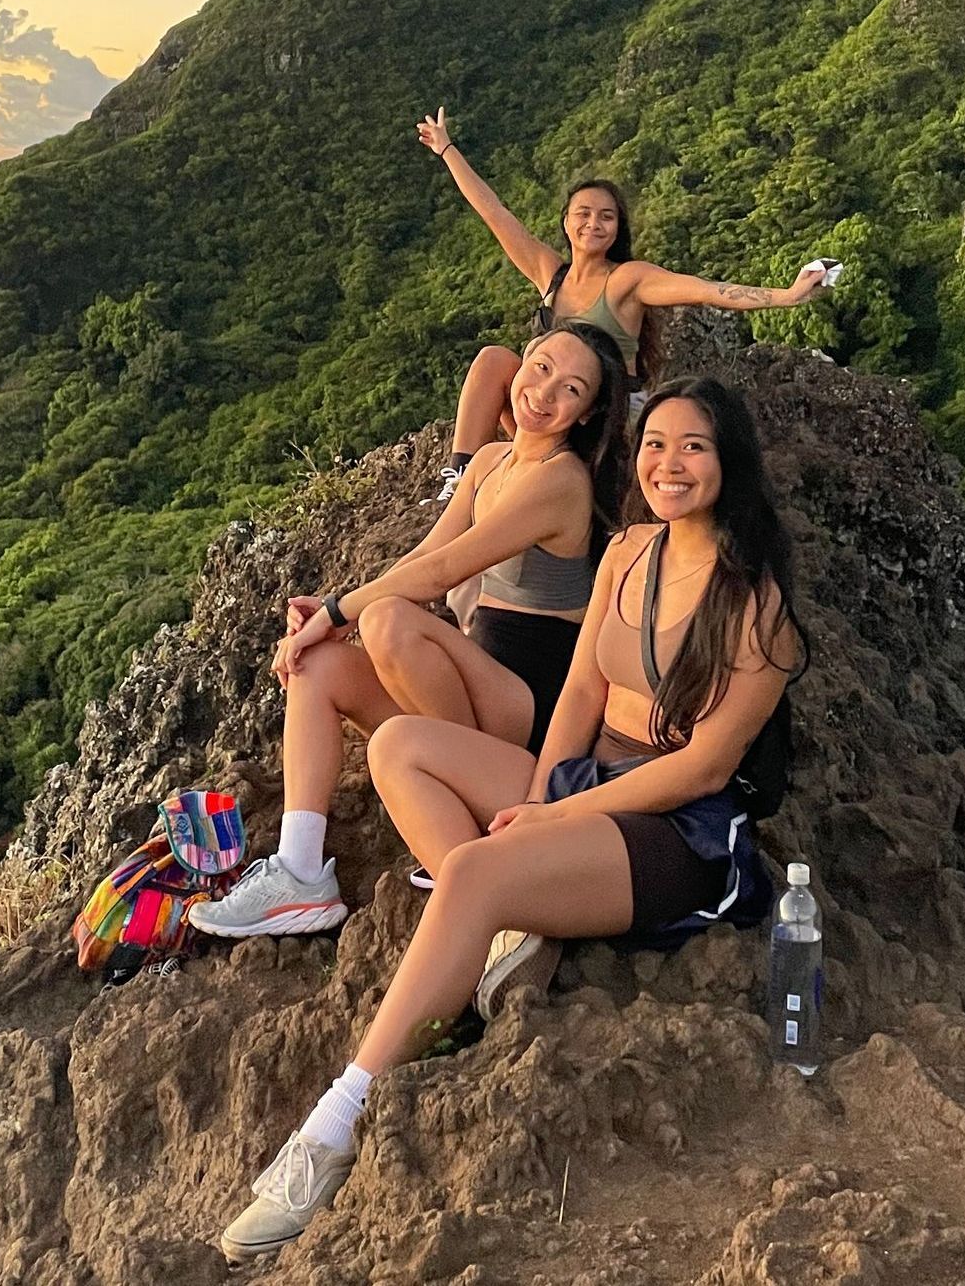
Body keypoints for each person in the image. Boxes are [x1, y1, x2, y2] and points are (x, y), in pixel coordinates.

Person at [218, 376, 809, 1262]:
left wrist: (554, 821)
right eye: (655, 444)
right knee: (400, 747)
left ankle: (332, 1130)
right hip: (585, 782)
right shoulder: (629, 552)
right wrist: (538, 800)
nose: (669, 463)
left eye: (694, 446)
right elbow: (580, 693)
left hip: (676, 830)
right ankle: (507, 933)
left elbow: (704, 767)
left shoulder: (758, 605)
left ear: (730, 462)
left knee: (470, 870)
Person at [188, 321, 630, 941]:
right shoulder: (491, 462)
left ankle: (459, 804)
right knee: (318, 665)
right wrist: (332, 611)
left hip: (528, 709)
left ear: (585, 415)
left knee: (386, 620)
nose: (545, 391)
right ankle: (300, 870)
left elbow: (444, 573)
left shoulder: (561, 480)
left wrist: (340, 611)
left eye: (572, 389)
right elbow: (424, 556)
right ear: (524, 360)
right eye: (542, 367)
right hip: (474, 694)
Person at [417, 106, 829, 502]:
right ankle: (462, 477)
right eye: (583, 213)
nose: (593, 224)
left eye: (606, 217)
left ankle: (536, 473)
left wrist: (786, 296)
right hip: (559, 411)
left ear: (617, 229)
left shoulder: (628, 280)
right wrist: (446, 148)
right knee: (494, 360)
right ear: (566, 222)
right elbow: (494, 212)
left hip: (606, 415)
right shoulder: (551, 274)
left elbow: (704, 289)